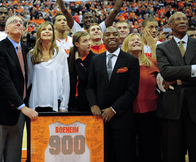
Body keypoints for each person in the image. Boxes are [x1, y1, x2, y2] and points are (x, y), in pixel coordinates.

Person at [0, 16, 38, 162]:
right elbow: (4, 81)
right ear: (6, 29)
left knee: (14, 156)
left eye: (21, 22)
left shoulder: (25, 48)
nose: (18, 23)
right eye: (13, 21)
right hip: (0, 109)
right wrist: (21, 105)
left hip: (19, 110)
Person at [87, 26, 140, 162]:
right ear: (103, 39)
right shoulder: (95, 60)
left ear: (120, 38)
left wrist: (113, 109)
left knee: (123, 156)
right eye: (108, 34)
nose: (111, 37)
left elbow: (132, 91)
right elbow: (90, 86)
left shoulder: (131, 61)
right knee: (103, 156)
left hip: (122, 119)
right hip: (99, 119)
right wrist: (93, 105)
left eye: (115, 34)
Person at [156, 12, 196, 162]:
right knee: (172, 154)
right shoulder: (162, 47)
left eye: (185, 19)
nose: (182, 21)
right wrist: (193, 70)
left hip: (194, 105)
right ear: (170, 25)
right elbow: (166, 72)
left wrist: (178, 80)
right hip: (171, 108)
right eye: (178, 19)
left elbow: (172, 73)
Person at [122, 33, 161, 162]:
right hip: (127, 113)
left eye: (139, 40)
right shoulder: (120, 64)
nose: (137, 41)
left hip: (150, 112)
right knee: (128, 149)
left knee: (150, 148)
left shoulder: (152, 63)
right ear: (126, 45)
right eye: (132, 40)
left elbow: (162, 82)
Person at [28, 22, 70, 112]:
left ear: (53, 34)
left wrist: (64, 106)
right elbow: (29, 79)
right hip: (36, 104)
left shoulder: (61, 53)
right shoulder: (32, 54)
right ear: (39, 33)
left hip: (56, 103)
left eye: (50, 29)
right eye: (44, 29)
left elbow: (65, 80)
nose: (47, 31)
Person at [68, 31, 95, 111]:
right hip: (73, 103)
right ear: (77, 44)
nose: (89, 43)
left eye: (89, 40)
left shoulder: (94, 59)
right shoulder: (70, 59)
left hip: (87, 104)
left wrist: (78, 61)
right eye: (85, 41)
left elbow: (85, 76)